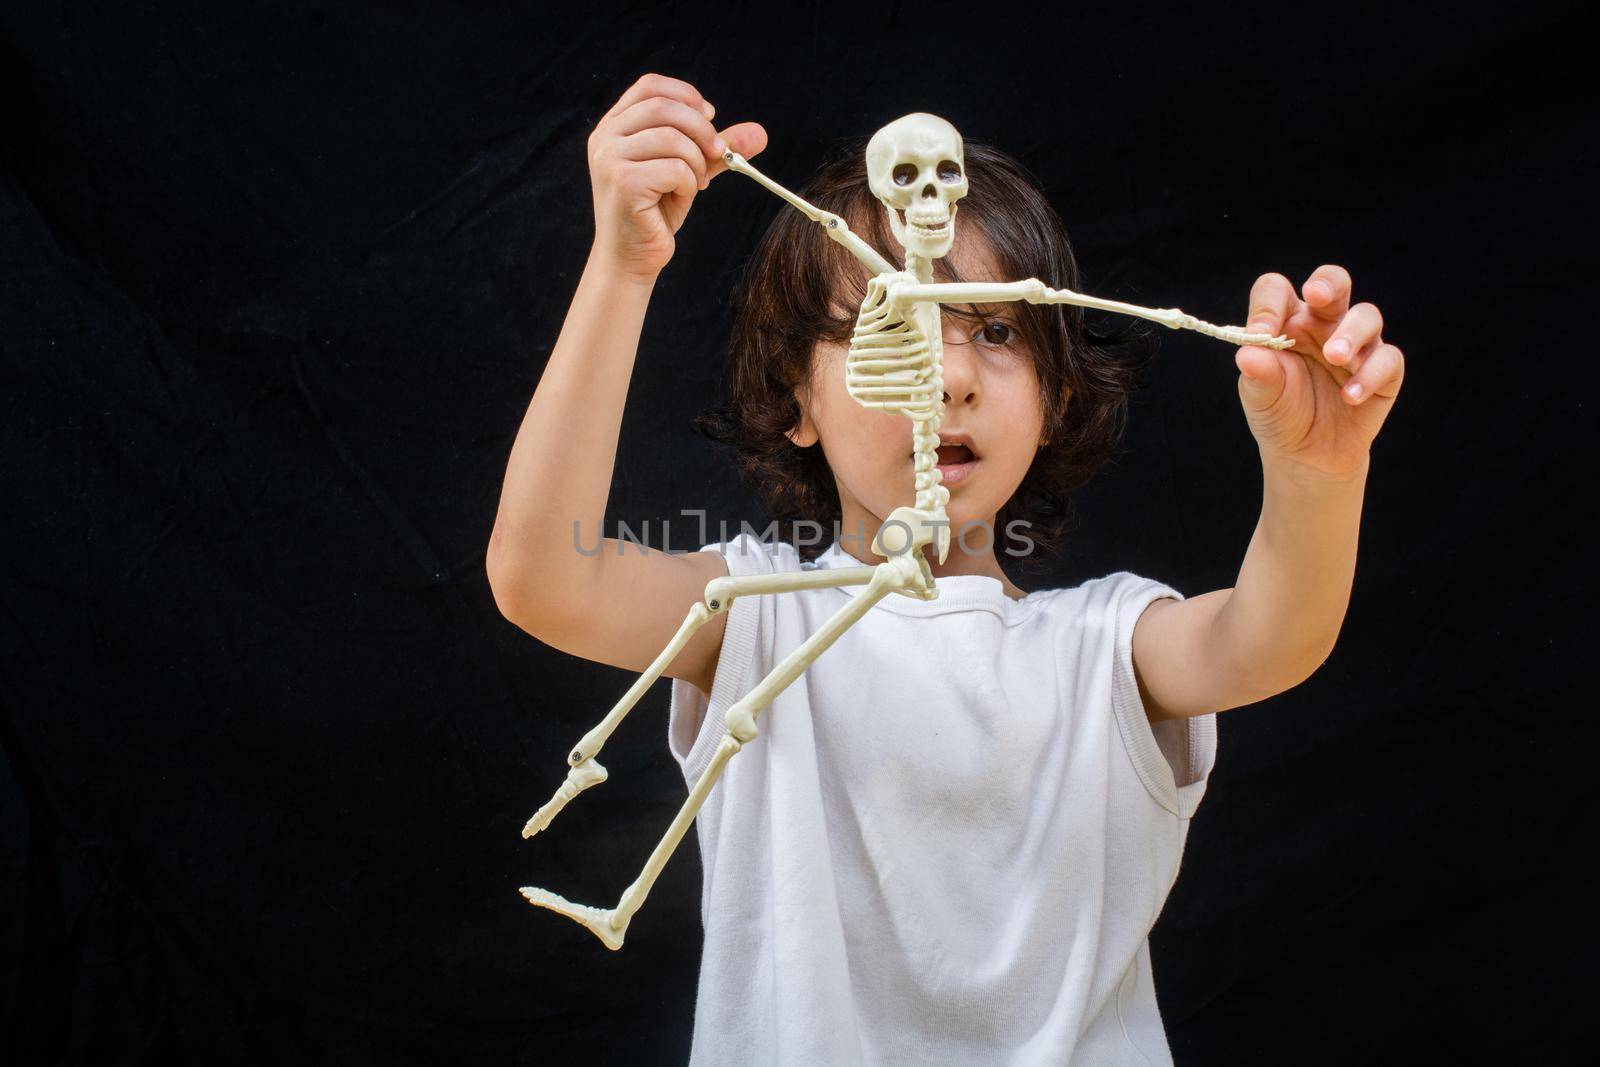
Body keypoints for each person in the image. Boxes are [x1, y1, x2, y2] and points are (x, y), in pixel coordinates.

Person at [486, 73, 1404, 1065]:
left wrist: (1319, 474)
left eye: (998, 330)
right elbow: (542, 573)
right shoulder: (751, 620)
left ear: (1055, 398)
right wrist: (621, 268)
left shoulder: (1102, 645)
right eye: (890, 318)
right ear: (796, 399)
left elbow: (1270, 636)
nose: (951, 373)